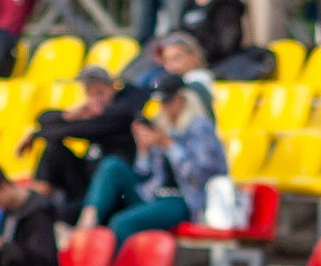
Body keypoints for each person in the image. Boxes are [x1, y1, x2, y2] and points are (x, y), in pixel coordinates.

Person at [75, 79, 224, 241]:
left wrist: (168, 144)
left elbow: (198, 174)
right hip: (156, 193)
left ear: (182, 99)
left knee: (121, 223)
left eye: (168, 101)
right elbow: (144, 173)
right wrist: (143, 150)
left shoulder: (200, 128)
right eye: (161, 102)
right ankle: (86, 223)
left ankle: (118, 265)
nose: (164, 106)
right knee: (112, 166)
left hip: (186, 200)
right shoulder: (162, 125)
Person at [21, 66, 147, 212]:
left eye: (101, 92)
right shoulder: (91, 114)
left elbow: (83, 129)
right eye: (91, 94)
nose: (96, 99)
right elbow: (42, 117)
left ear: (113, 87)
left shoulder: (119, 113)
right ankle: (34, 204)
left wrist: (37, 135)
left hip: (112, 192)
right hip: (86, 182)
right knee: (54, 149)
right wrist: (68, 115)